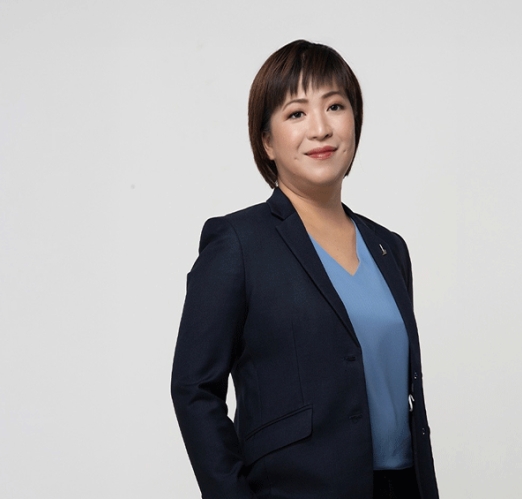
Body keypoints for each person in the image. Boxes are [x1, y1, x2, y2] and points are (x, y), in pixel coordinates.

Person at [171, 39, 439, 499]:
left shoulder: (389, 248)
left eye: (335, 106)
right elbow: (194, 389)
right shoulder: (237, 244)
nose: (320, 128)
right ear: (267, 141)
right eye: (296, 113)